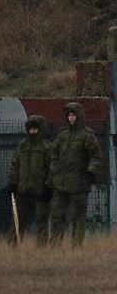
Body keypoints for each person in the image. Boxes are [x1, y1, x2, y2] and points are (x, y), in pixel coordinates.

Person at [48, 101, 104, 248]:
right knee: (56, 215)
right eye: (69, 115)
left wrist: (91, 171)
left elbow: (96, 157)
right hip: (61, 183)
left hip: (79, 184)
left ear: (79, 116)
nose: (71, 118)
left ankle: (76, 245)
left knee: (78, 217)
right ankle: (54, 244)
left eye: (74, 115)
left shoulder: (87, 135)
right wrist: (54, 170)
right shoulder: (63, 134)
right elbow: (54, 153)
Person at [10, 114, 52, 246]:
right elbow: (14, 165)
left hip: (40, 191)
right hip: (22, 190)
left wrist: (48, 187)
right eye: (30, 129)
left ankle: (42, 247)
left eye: (35, 129)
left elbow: (53, 167)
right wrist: (13, 183)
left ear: (40, 129)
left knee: (42, 220)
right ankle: (14, 245)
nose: (32, 131)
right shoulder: (22, 146)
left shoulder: (47, 147)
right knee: (18, 220)